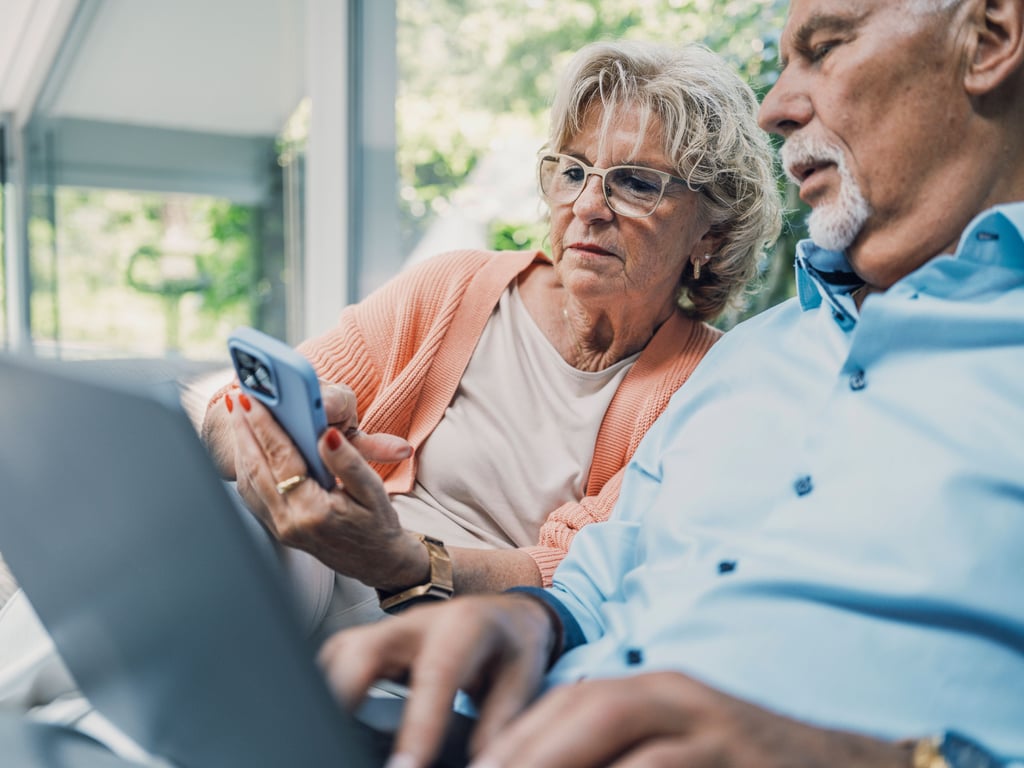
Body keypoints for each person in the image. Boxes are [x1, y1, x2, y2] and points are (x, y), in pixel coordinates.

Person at [316, 1, 1024, 766]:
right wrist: (527, 622)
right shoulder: (752, 360)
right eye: (574, 171)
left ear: (988, 39)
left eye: (825, 48)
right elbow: (598, 582)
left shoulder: (690, 365)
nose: (778, 108)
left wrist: (877, 759)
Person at [200, 40, 781, 634]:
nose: (587, 206)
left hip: (465, 630)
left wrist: (402, 560)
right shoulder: (455, 284)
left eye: (634, 183)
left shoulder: (707, 383)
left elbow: (587, 580)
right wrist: (260, 438)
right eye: (574, 171)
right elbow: (230, 417)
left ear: (712, 231)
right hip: (315, 567)